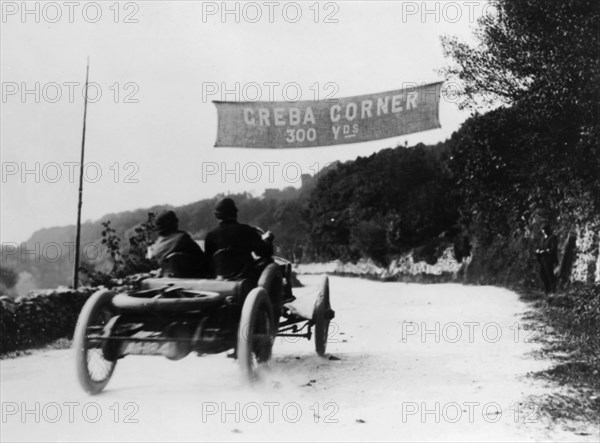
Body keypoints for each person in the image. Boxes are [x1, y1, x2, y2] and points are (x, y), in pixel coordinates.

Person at [204, 198, 273, 281]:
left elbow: (208, 262)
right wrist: (268, 240)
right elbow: (265, 253)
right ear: (235, 212)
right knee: (270, 262)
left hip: (220, 279)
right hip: (247, 277)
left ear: (217, 215)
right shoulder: (247, 230)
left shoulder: (210, 236)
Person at [147, 210, 209, 277]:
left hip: (168, 280)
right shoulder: (183, 239)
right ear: (175, 223)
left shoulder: (155, 247)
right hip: (193, 278)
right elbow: (204, 260)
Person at [535, 224, 558, 295]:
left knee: (550, 275)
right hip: (542, 260)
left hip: (549, 260)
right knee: (543, 275)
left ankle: (553, 291)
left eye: (545, 230)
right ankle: (546, 291)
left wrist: (544, 251)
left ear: (548, 230)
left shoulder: (552, 238)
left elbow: (553, 248)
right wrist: (538, 251)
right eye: (543, 230)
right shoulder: (543, 239)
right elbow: (540, 247)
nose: (544, 231)